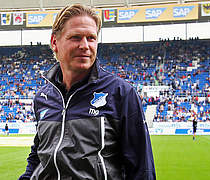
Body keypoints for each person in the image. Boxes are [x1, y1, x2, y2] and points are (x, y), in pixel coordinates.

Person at [19, 4, 156, 180]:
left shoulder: (121, 93)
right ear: (55, 42)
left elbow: (142, 170)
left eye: (91, 38)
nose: (85, 46)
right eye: (76, 37)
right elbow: (39, 156)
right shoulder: (43, 98)